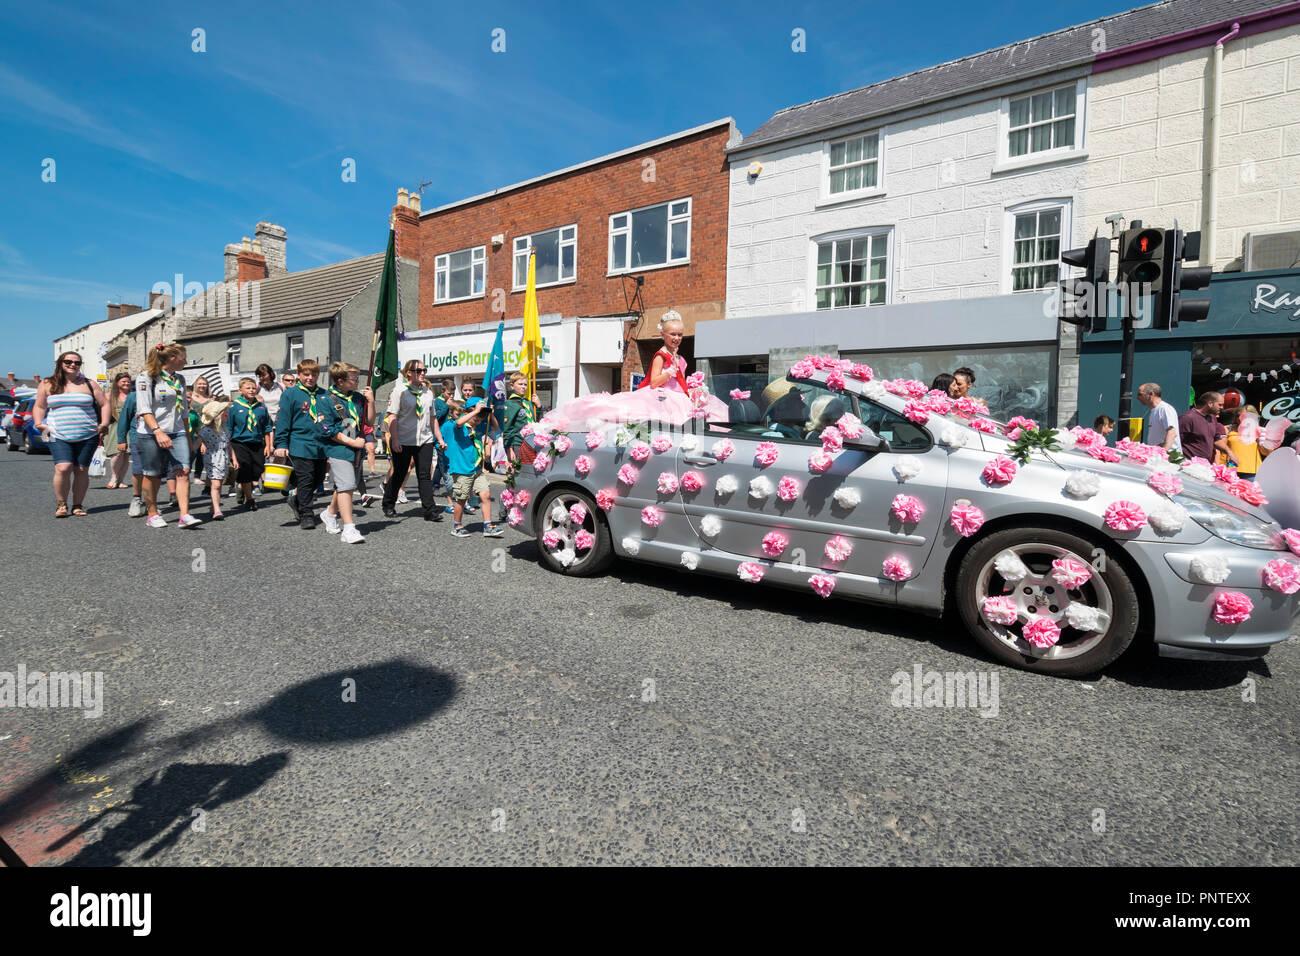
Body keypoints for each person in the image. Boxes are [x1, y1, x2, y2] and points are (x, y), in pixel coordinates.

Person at [546, 311, 727, 428]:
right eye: (673, 334)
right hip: (664, 397)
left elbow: (682, 382)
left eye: (680, 334)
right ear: (663, 335)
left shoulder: (680, 358)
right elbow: (655, 382)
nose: (677, 338)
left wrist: (694, 389)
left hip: (681, 399)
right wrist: (669, 372)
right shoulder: (660, 355)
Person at [31, 351, 109, 517]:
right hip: (55, 433)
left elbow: (104, 404)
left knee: (81, 469)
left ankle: (78, 505)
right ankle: (61, 504)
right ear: (60, 363)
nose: (73, 365)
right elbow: (39, 406)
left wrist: (104, 423)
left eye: (77, 363)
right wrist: (39, 424)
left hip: (88, 434)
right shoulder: (47, 383)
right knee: (63, 467)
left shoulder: (89, 384)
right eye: (68, 361)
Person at [135, 343, 200, 528]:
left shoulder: (180, 379)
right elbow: (144, 409)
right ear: (172, 358)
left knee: (184, 471)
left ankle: (184, 515)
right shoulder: (146, 377)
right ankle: (152, 513)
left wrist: (188, 437)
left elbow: (185, 411)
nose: (186, 361)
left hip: (177, 431)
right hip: (150, 433)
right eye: (183, 358)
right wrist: (158, 431)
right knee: (152, 474)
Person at [273, 359, 340, 530]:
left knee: (318, 478)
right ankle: (307, 514)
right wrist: (281, 443)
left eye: (314, 375)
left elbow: (334, 417)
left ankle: (296, 500)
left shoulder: (324, 395)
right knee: (306, 479)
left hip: (320, 445)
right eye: (306, 374)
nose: (310, 378)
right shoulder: (290, 394)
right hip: (299, 443)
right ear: (299, 375)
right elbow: (283, 420)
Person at [381, 359, 442, 521]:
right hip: (404, 439)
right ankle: (388, 503)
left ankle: (429, 510)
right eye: (418, 371)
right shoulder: (399, 391)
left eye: (424, 370)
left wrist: (439, 439)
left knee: (424, 475)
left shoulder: (428, 392)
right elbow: (392, 416)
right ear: (409, 372)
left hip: (425, 439)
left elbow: (433, 418)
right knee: (400, 473)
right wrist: (394, 440)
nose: (422, 373)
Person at [320, 362, 372, 543]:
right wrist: (352, 442)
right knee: (348, 485)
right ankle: (349, 529)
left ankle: (329, 513)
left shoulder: (357, 398)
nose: (358, 381)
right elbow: (328, 429)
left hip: (355, 449)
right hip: (338, 448)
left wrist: (371, 401)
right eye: (354, 378)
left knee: (344, 485)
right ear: (340, 381)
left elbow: (369, 421)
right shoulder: (325, 400)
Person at [443, 396, 503, 538]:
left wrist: (490, 414)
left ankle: (488, 526)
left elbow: (496, 428)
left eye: (482, 415)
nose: (479, 418)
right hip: (462, 469)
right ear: (468, 411)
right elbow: (458, 422)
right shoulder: (461, 425)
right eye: (477, 414)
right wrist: (476, 411)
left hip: (476, 469)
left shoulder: (480, 425)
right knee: (462, 499)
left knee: (485, 494)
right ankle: (457, 526)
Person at [229, 376, 273, 512]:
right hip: (240, 443)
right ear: (240, 390)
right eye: (248, 388)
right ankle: (249, 499)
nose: (252, 390)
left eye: (254, 388)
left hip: (257, 442)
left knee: (258, 469)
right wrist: (230, 449)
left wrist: (268, 445)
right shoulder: (234, 406)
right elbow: (229, 428)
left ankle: (242, 486)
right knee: (245, 469)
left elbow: (267, 427)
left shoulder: (261, 407)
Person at [198, 400, 232, 520]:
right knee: (216, 484)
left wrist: (235, 459)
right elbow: (197, 443)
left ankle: (214, 505)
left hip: (224, 458)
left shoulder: (224, 429)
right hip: (212, 459)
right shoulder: (206, 430)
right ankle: (217, 510)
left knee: (218, 484)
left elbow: (228, 445)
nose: (227, 414)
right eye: (224, 412)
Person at [1177, 391, 1233, 464]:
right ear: (1210, 404)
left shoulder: (1212, 418)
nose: (1222, 408)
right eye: (1220, 405)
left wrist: (1229, 452)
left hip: (1205, 466)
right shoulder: (1188, 418)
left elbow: (1217, 440)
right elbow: (1176, 442)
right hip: (1189, 466)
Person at [102, 372, 133, 489]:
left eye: (128, 382)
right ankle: (114, 476)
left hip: (130, 428)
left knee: (126, 454)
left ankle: (121, 480)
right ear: (117, 383)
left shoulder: (133, 395)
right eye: (123, 381)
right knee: (117, 453)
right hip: (114, 427)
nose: (126, 383)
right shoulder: (108, 396)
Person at [502, 371, 540, 465]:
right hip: (518, 443)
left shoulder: (528, 402)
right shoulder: (510, 404)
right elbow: (507, 428)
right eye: (520, 384)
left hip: (531, 442)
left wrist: (538, 406)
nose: (523, 387)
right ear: (511, 385)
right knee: (519, 471)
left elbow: (535, 421)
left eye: (525, 384)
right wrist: (508, 448)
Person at [1137, 382, 1182, 453]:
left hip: (1168, 459)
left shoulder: (1164, 409)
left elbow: (1172, 433)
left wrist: (1163, 453)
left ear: (1151, 394)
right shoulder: (1155, 410)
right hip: (1157, 458)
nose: (1137, 398)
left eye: (1140, 394)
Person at [1223, 405, 1265, 479]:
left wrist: (1262, 438)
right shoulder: (1227, 429)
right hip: (1229, 469)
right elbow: (1220, 448)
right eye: (1237, 416)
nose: (1239, 418)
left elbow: (1266, 452)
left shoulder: (1258, 431)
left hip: (1251, 472)